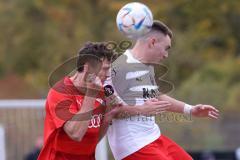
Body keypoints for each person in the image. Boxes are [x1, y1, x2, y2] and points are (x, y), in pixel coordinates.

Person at [105, 20, 220, 160]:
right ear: (152, 42)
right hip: (134, 146)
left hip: (154, 138)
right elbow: (109, 110)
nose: (166, 55)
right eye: (166, 48)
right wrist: (141, 110)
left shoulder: (145, 67)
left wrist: (191, 110)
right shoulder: (119, 67)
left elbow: (157, 97)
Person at [38, 42, 171, 160]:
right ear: (87, 67)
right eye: (105, 69)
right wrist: (91, 94)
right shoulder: (60, 92)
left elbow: (95, 138)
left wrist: (111, 114)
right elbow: (76, 134)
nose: (108, 75)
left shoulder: (103, 90)